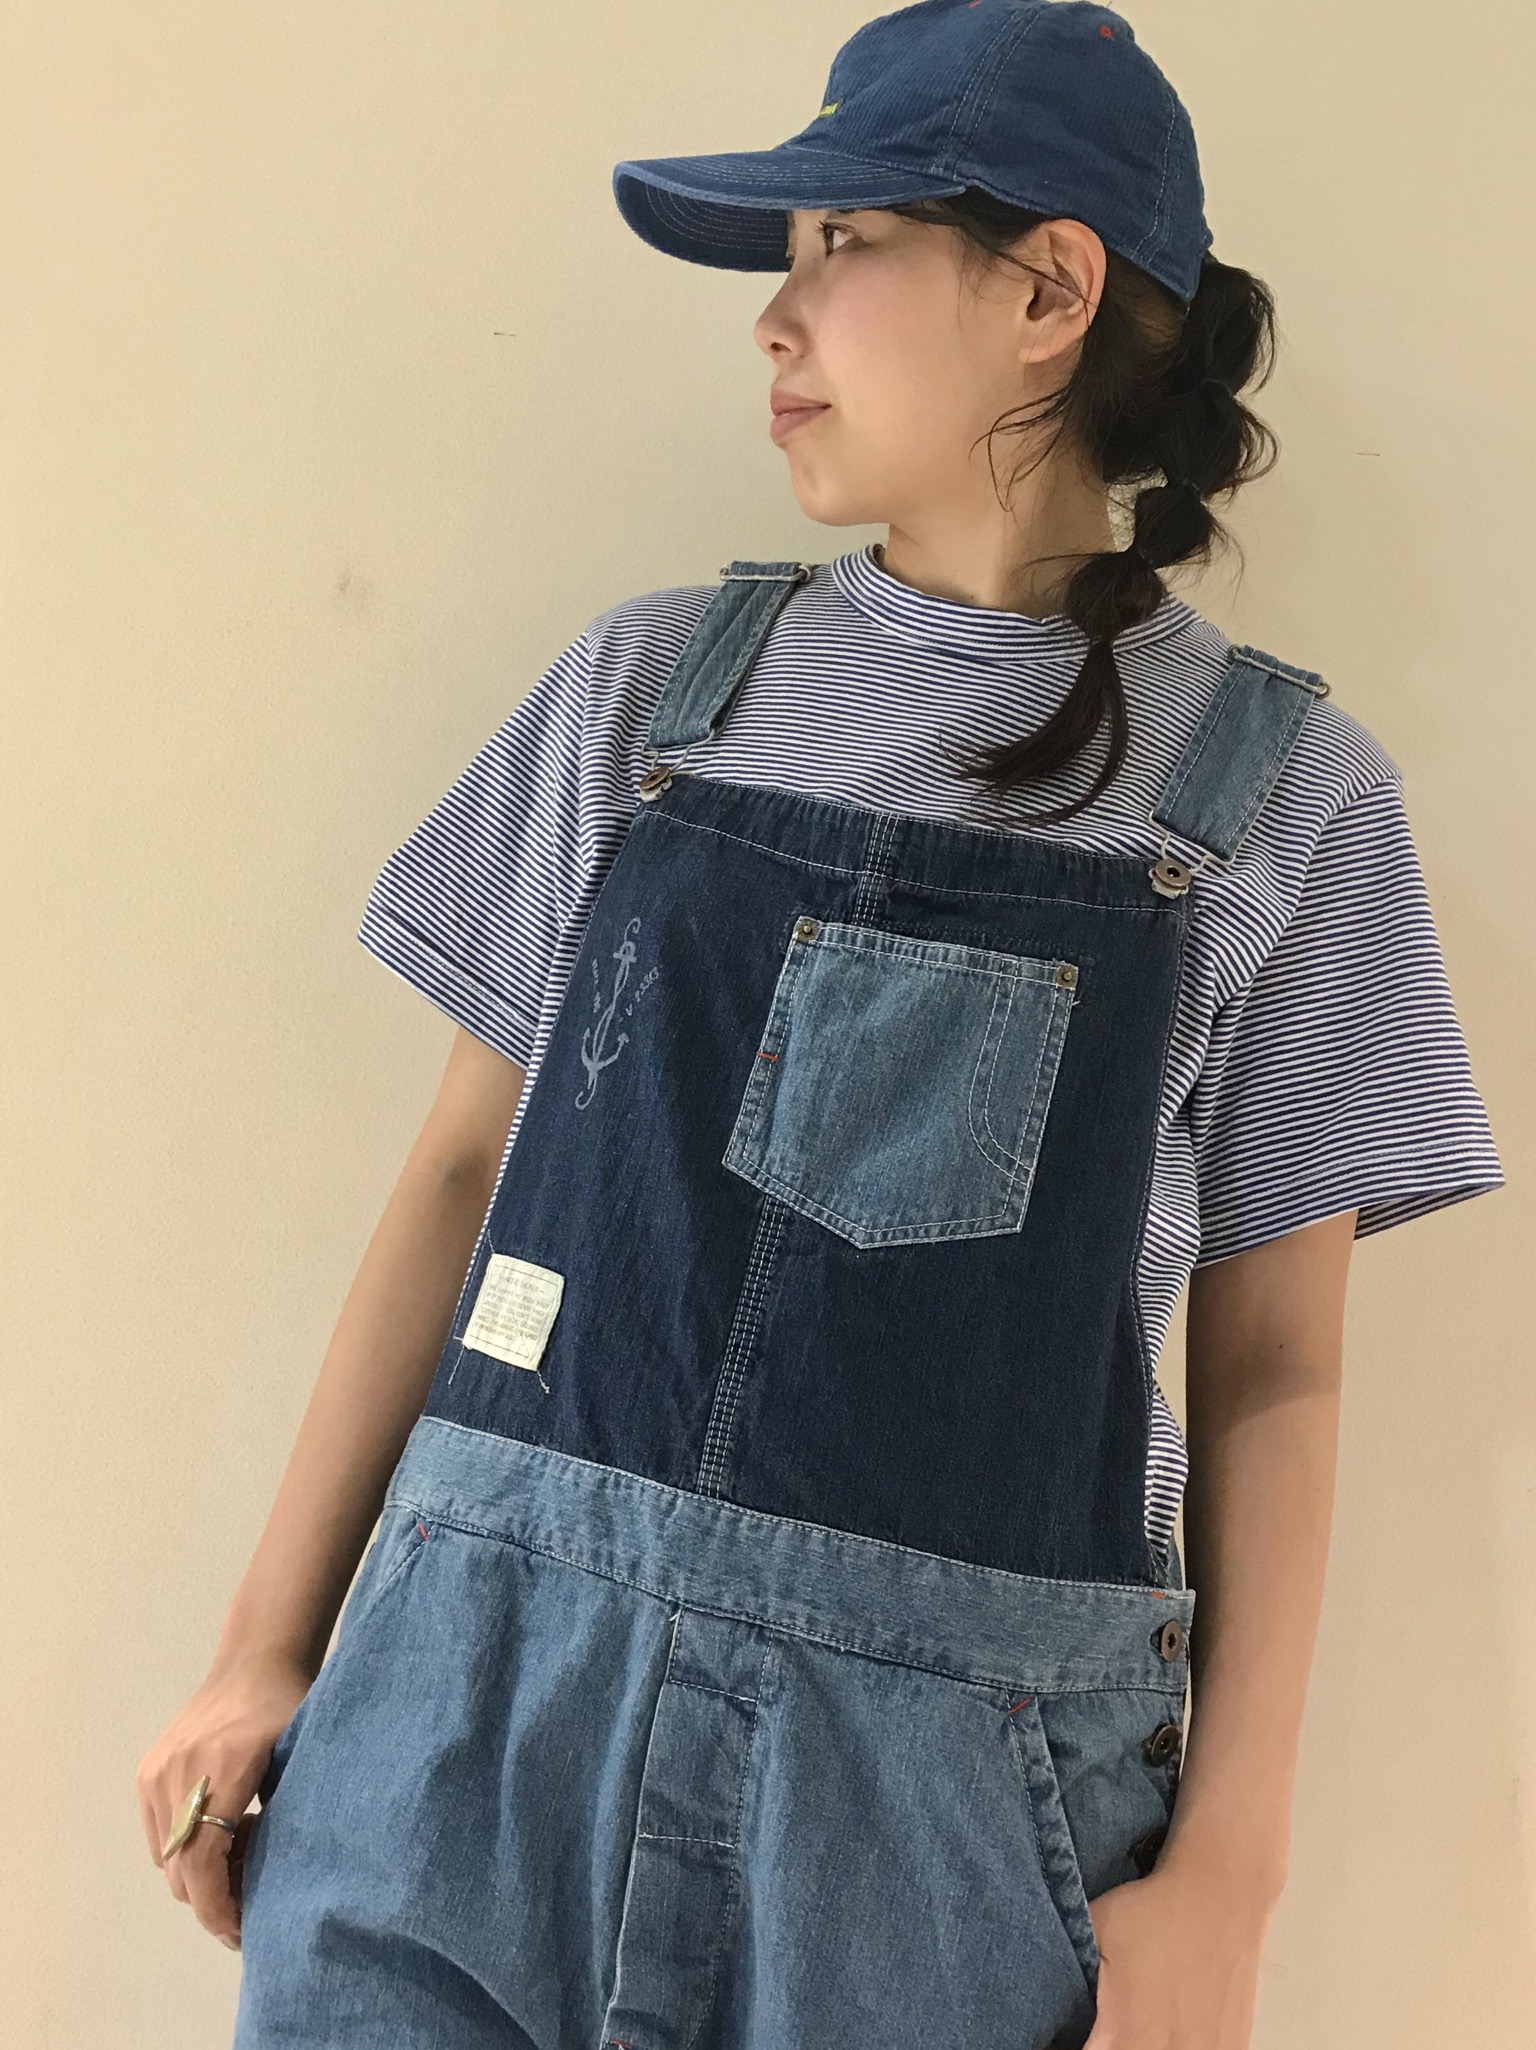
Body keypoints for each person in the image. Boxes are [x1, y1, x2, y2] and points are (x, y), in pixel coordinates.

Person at [137, 5, 1505, 2046]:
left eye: (844, 244)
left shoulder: (1284, 795)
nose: (778, 320)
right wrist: (266, 1643)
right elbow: (453, 1174)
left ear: (1047, 291)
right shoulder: (650, 690)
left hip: (936, 1833)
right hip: (461, 1722)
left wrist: (1232, 1868)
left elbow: (1279, 1369)